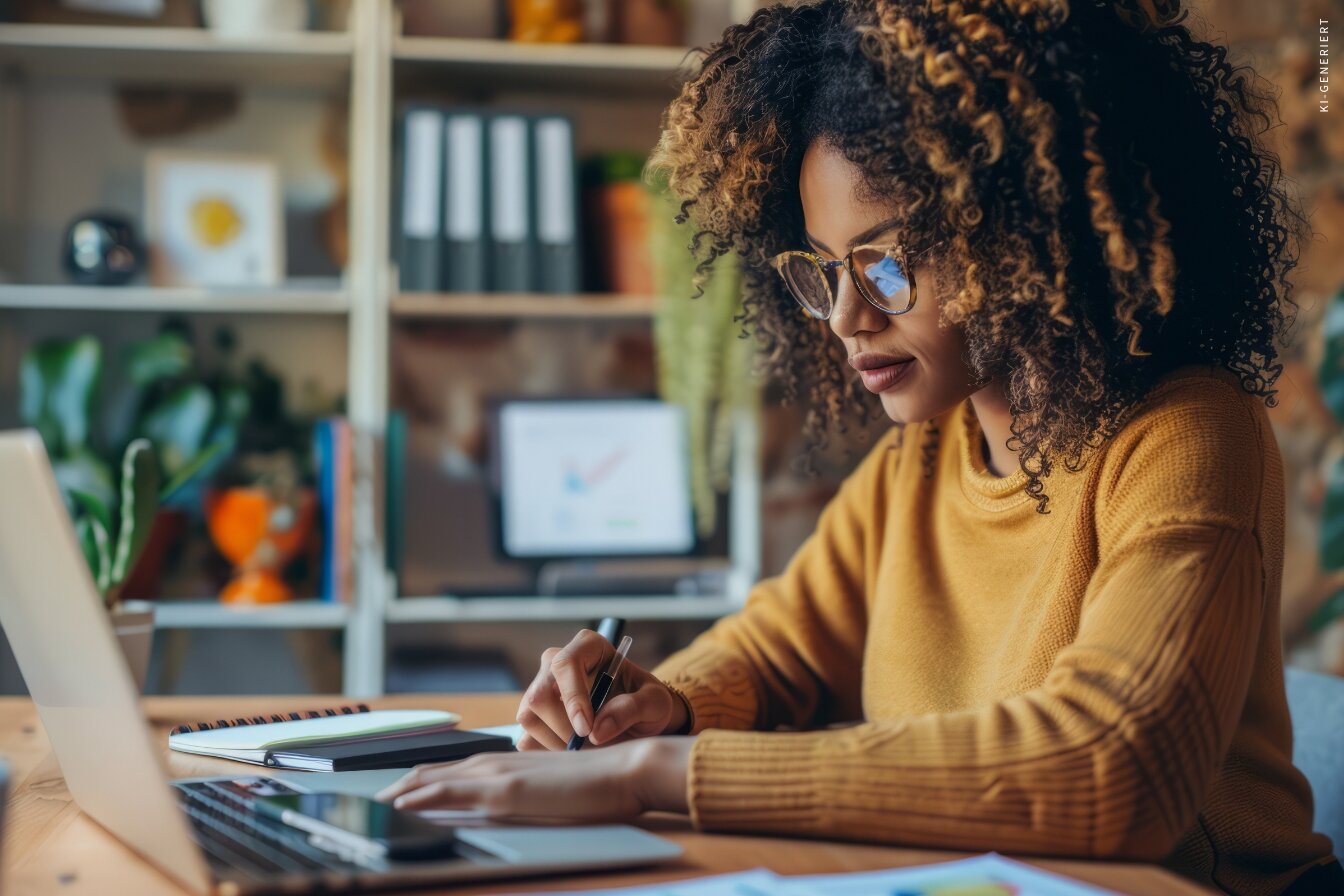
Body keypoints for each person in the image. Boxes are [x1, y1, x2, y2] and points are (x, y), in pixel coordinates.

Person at [377, 1, 1344, 892]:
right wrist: (662, 705)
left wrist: (655, 773)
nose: (845, 316)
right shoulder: (923, 459)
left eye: (887, 262)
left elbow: (1112, 771)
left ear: (1026, 234)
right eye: (825, 268)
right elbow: (777, 651)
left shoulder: (1188, 436)